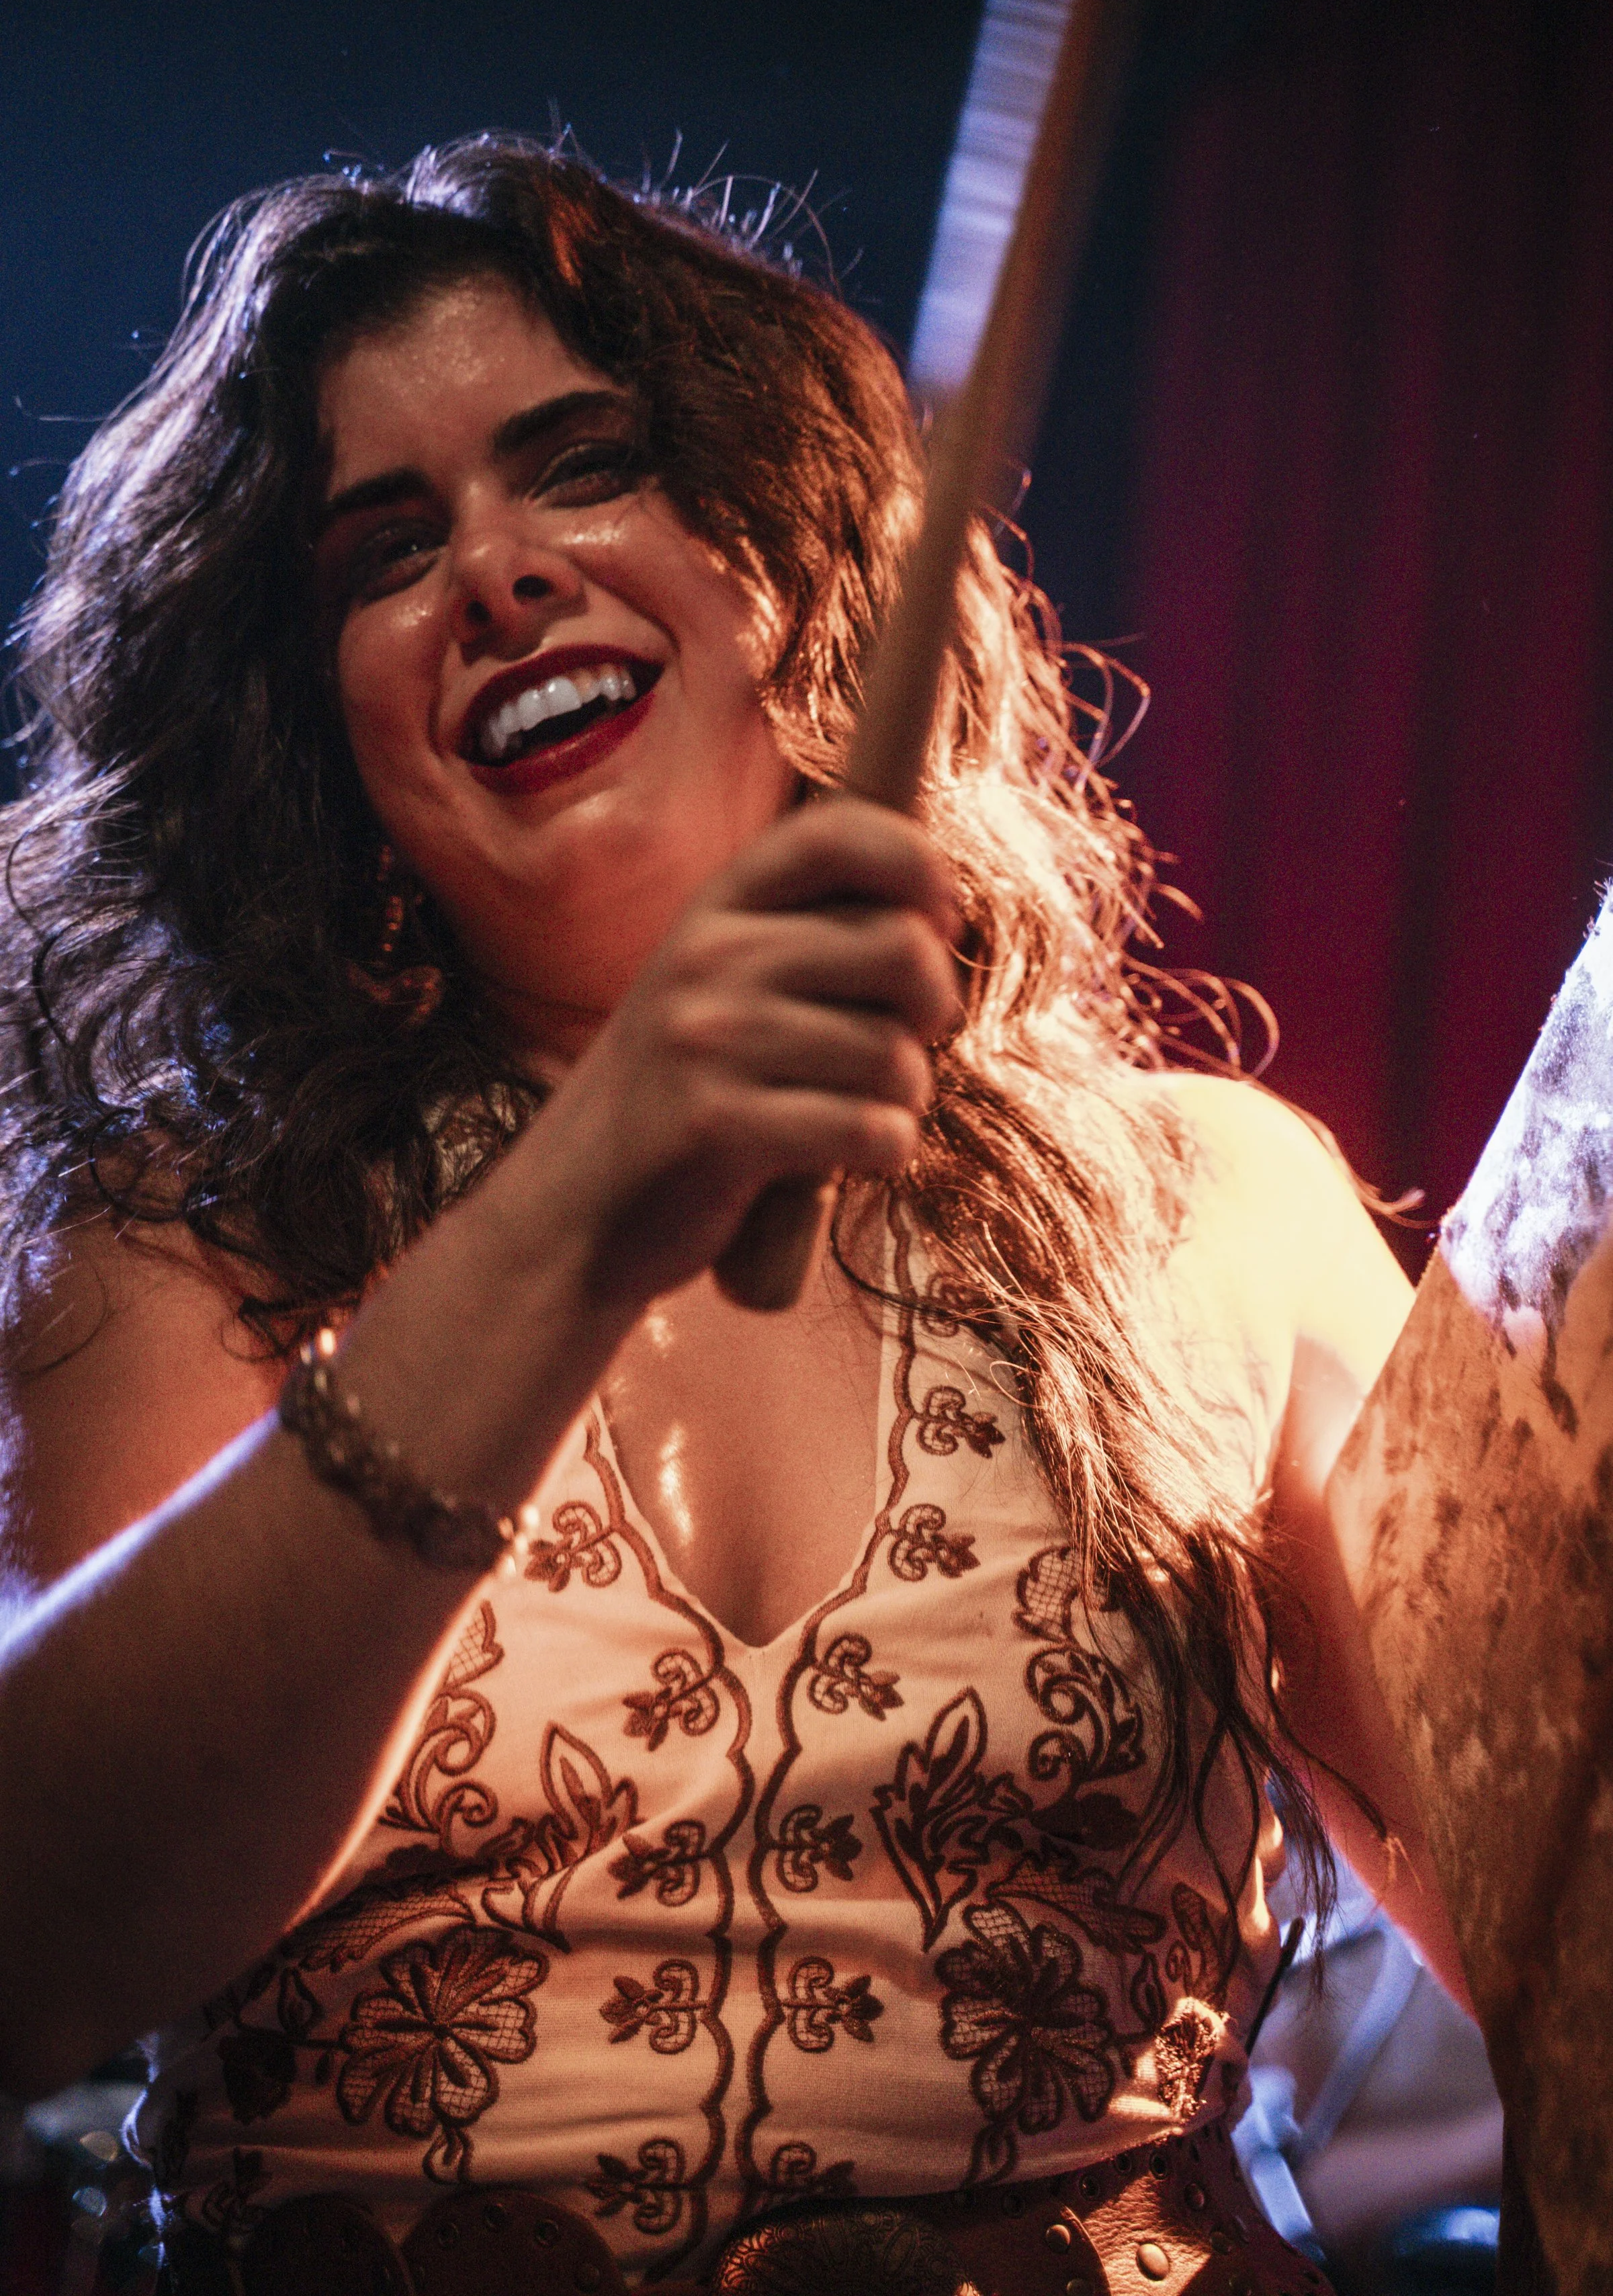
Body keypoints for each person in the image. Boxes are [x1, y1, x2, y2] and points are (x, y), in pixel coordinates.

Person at [0, 138, 1465, 2293]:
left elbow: (1568, 1925)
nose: (494, 572)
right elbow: (41, 1943)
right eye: (384, 551)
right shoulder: (180, 1248)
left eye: (577, 468)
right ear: (314, 735)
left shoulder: (1208, 1208)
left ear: (772, 560)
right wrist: (593, 1183)